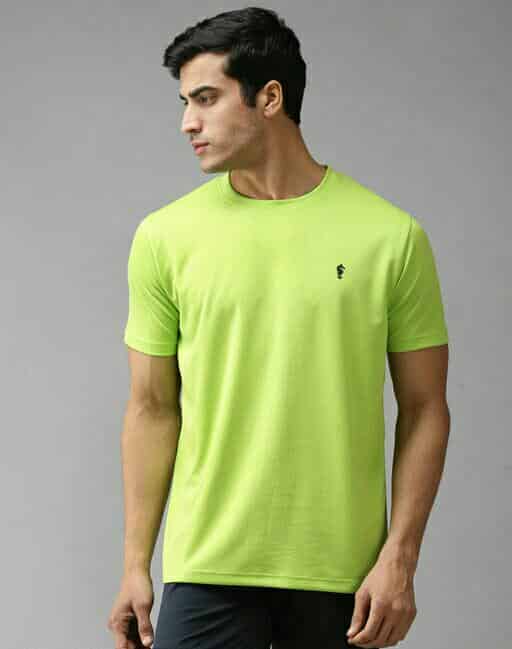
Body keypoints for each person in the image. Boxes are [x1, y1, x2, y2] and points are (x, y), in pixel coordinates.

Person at [107, 7, 451, 649]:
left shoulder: (391, 237)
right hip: (207, 567)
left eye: (206, 98)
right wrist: (134, 564)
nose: (187, 122)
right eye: (185, 102)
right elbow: (151, 408)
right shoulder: (164, 237)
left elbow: (426, 407)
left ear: (270, 98)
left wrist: (400, 558)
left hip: (345, 577)